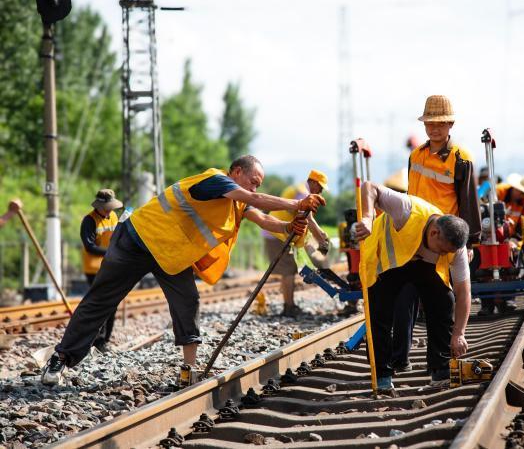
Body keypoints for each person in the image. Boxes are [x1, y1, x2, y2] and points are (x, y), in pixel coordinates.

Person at [41, 155, 325, 385]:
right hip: (138, 239)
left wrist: (289, 226)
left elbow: (263, 217)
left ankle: (189, 369)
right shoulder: (214, 180)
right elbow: (257, 200)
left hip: (171, 255)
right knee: (101, 299)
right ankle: (61, 358)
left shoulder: (237, 201)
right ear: (236, 171)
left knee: (188, 301)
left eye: (257, 184)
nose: (254, 188)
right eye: (253, 182)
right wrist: (296, 203)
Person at [355, 181, 471, 391]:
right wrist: (367, 217)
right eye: (442, 250)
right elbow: (369, 187)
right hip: (388, 265)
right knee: (379, 314)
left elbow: (464, 292)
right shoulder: (406, 209)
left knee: (445, 301)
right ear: (434, 232)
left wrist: (459, 333)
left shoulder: (456, 249)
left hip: (423, 266)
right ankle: (382, 375)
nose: (444, 255)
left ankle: (441, 370)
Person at [395, 95, 480, 373]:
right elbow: (409, 195)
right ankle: (399, 360)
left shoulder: (461, 158)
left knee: (440, 302)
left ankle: (439, 366)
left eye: (440, 123)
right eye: (430, 123)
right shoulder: (416, 155)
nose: (434, 129)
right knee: (404, 298)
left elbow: (468, 201)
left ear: (450, 124)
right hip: (414, 236)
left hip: (443, 238)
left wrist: (469, 240)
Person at [262, 170, 331, 317]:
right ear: (312, 182)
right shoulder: (302, 193)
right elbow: (309, 219)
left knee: (289, 270)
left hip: (279, 232)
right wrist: (321, 239)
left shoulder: (300, 189)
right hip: (277, 233)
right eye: (320, 187)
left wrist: (318, 237)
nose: (321, 191)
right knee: (288, 271)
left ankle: (289, 305)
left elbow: (306, 219)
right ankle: (289, 308)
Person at [478, 173, 524, 315]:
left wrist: (515, 241)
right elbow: (479, 209)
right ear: (514, 188)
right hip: (486, 236)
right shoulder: (497, 192)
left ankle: (509, 299)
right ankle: (486, 305)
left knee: (512, 266)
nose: (522, 196)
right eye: (521, 192)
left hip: (510, 238)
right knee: (482, 270)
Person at [80, 189, 122, 352]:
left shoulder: (113, 216)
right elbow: (90, 247)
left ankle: (104, 339)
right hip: (94, 268)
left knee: (112, 303)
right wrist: (111, 253)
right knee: (100, 303)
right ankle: (97, 339)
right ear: (99, 206)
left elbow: (117, 237)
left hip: (111, 264)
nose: (110, 210)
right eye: (107, 207)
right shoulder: (89, 221)